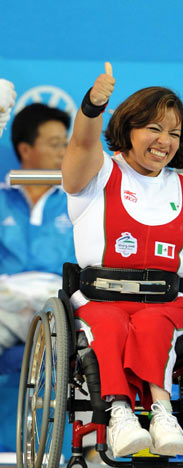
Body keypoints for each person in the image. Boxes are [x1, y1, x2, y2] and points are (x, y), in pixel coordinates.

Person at [62, 62, 183, 459]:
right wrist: (92, 106)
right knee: (111, 324)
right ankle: (117, 415)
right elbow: (82, 146)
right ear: (128, 128)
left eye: (174, 133)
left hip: (164, 302)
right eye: (154, 128)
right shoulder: (97, 175)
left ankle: (163, 412)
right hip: (99, 299)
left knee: (155, 322)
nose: (164, 140)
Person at [0, 103, 76, 354]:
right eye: (55, 144)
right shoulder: (2, 197)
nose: (63, 152)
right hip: (5, 300)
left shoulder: (76, 201)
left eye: (66, 144)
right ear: (25, 149)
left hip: (55, 302)